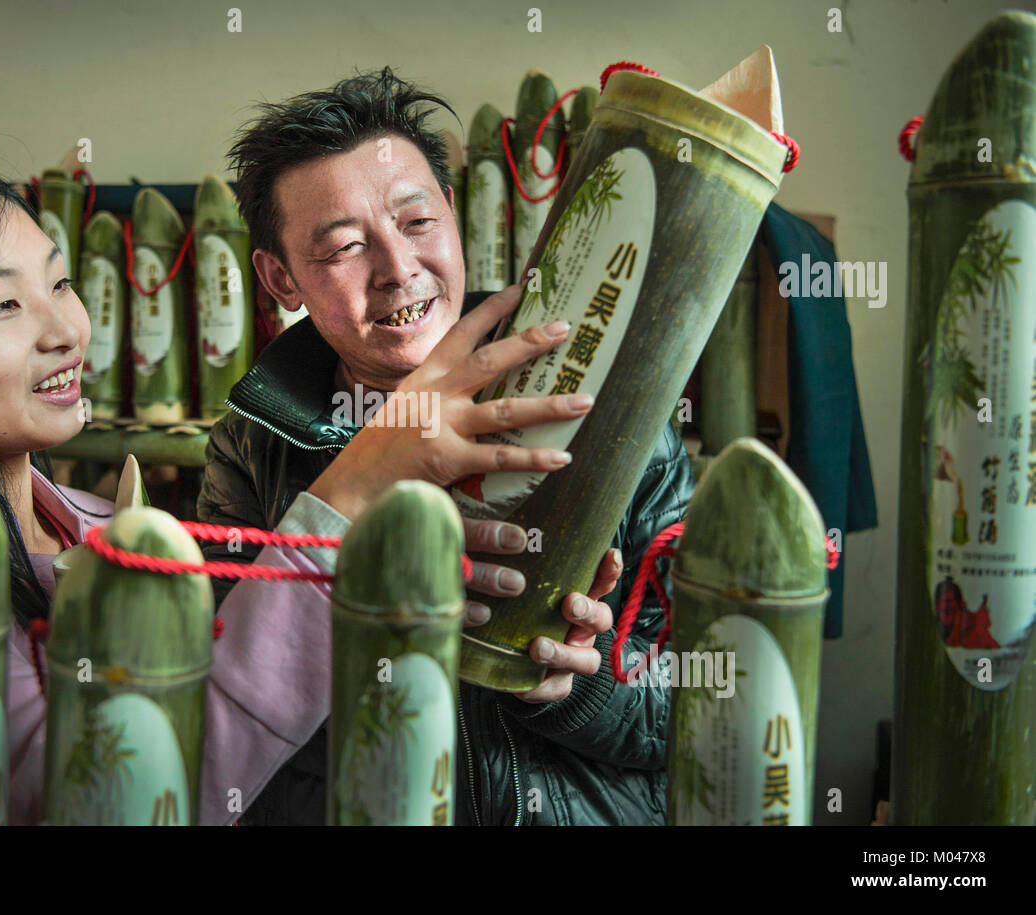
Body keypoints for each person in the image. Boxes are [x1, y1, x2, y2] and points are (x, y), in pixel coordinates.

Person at [0, 150, 599, 826]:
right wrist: (362, 480)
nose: (68, 329)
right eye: (3, 306)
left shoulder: (103, 519)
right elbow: (91, 796)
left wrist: (522, 662)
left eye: (64, 282)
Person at [198, 67, 695, 825]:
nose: (399, 271)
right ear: (278, 277)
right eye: (344, 247)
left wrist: (570, 685)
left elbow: (701, 704)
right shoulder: (251, 443)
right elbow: (229, 717)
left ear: (455, 215)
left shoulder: (606, 405)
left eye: (418, 222)